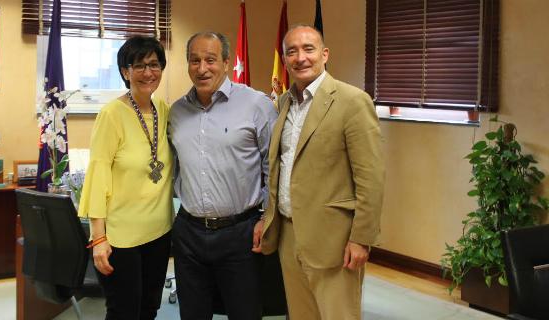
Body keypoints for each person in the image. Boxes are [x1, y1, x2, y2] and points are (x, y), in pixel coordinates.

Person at [253, 25, 385, 320]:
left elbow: (371, 178)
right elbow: (281, 168)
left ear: (324, 55)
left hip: (334, 240)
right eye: (292, 51)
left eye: (308, 49)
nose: (300, 57)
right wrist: (268, 216)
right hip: (289, 234)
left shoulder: (352, 101)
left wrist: (361, 238)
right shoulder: (285, 102)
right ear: (285, 60)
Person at [169, 31, 278, 320]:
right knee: (192, 313)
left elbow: (274, 167)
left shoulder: (257, 105)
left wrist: (267, 216)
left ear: (227, 62)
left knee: (244, 313)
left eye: (210, 59)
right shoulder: (176, 112)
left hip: (240, 233)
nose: (202, 68)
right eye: (194, 60)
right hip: (189, 233)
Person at [78, 35, 173, 320]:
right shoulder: (112, 114)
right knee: (124, 312)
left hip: (159, 231)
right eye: (139, 65)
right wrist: (98, 238)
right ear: (125, 71)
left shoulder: (164, 110)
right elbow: (98, 176)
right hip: (121, 238)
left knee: (149, 309)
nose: (148, 73)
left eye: (154, 65)